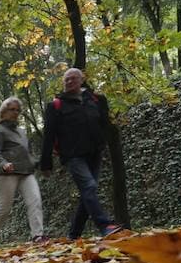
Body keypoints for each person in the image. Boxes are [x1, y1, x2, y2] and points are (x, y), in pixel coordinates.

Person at [40, 67, 122, 239]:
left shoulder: (97, 100)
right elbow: (48, 135)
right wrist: (46, 163)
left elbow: (104, 124)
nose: (69, 82)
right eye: (66, 80)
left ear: (81, 79)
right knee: (89, 186)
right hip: (72, 155)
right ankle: (105, 226)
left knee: (88, 192)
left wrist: (104, 146)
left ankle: (74, 235)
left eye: (73, 79)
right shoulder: (55, 106)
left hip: (94, 152)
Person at [0, 97, 45, 250]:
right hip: (7, 173)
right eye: (12, 109)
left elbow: (27, 154)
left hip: (26, 172)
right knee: (4, 208)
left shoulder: (22, 132)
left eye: (18, 110)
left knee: (35, 201)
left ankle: (37, 235)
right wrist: (4, 164)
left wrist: (40, 163)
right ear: (3, 111)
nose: (16, 113)